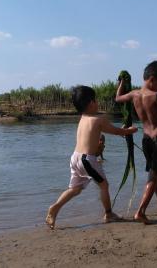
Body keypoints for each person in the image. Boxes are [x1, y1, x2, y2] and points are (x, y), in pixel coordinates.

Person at [46, 85, 138, 229]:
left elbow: (99, 134)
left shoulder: (82, 118)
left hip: (75, 157)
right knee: (104, 186)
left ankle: (55, 207)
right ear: (91, 103)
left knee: (75, 189)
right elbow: (116, 131)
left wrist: (122, 131)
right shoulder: (98, 119)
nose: (97, 103)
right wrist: (130, 130)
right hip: (87, 160)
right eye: (96, 100)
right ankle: (108, 213)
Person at [115, 61, 157, 224]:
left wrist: (121, 82)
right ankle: (140, 211)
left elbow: (118, 98)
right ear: (152, 79)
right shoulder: (155, 96)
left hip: (146, 140)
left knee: (156, 174)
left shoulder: (134, 94)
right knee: (154, 176)